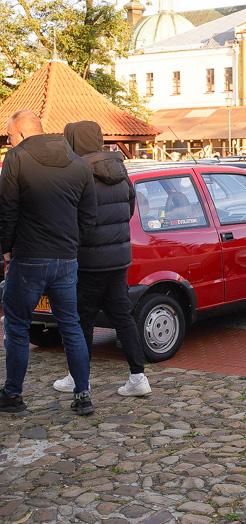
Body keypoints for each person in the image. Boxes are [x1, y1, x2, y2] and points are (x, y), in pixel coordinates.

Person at [0, 110, 98, 415]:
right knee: (71, 326)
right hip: (66, 259)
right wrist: (71, 244)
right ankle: (82, 395)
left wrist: (5, 249)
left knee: (16, 325)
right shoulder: (78, 164)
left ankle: (13, 395)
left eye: (9, 135)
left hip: (28, 256)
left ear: (21, 134)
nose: (8, 140)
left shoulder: (15, 159)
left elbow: (6, 210)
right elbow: (89, 217)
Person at [54, 121, 151, 397]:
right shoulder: (121, 170)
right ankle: (138, 376)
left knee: (82, 320)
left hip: (88, 261)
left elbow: (72, 218)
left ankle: (77, 376)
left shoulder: (77, 173)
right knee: (123, 317)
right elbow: (129, 209)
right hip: (119, 259)